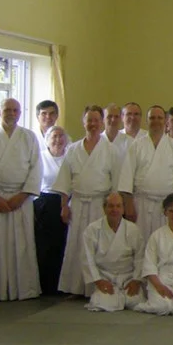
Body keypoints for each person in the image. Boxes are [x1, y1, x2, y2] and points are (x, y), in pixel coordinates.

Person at [0, 98, 43, 301]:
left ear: (20, 113)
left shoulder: (29, 137)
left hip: (21, 199)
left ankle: (23, 289)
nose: (11, 113)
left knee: (21, 245)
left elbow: (36, 169)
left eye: (15, 110)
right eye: (7, 110)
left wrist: (22, 196)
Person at [54, 106, 121, 295]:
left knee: (99, 246)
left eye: (96, 120)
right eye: (89, 120)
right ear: (83, 122)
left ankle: (97, 287)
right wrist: (64, 205)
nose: (92, 124)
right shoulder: (72, 149)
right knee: (76, 245)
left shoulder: (111, 150)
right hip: (78, 203)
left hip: (101, 205)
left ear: (102, 123)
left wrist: (114, 209)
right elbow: (64, 181)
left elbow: (116, 183)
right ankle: (75, 286)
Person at [118, 106, 173, 239]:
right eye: (152, 118)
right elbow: (126, 178)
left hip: (167, 205)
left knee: (165, 241)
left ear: (165, 121)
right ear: (147, 121)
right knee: (140, 240)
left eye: (159, 118)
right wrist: (128, 205)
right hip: (141, 204)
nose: (156, 121)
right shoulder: (136, 145)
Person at [82, 193, 146, 312]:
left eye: (118, 206)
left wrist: (136, 280)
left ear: (123, 209)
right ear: (104, 208)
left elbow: (140, 257)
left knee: (136, 301)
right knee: (101, 302)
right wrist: (98, 281)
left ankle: (123, 296)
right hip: (105, 276)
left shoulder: (133, 229)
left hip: (128, 277)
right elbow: (87, 258)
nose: (114, 210)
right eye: (111, 206)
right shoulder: (93, 229)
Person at [35, 125, 70, 295]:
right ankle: (44, 285)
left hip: (65, 202)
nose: (58, 140)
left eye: (61, 136)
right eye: (54, 136)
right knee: (44, 244)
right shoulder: (40, 157)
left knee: (62, 243)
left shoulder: (70, 157)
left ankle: (60, 284)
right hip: (44, 202)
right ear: (47, 140)